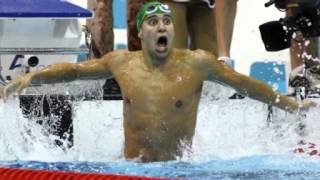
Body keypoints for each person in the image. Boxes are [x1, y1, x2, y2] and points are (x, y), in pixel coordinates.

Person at [0, 2, 316, 162]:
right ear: (141, 33)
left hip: (182, 170)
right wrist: (30, 77)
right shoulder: (122, 63)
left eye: (166, 21)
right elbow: (74, 72)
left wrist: (288, 103)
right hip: (133, 171)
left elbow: (244, 84)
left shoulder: (197, 63)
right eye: (153, 22)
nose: (162, 26)